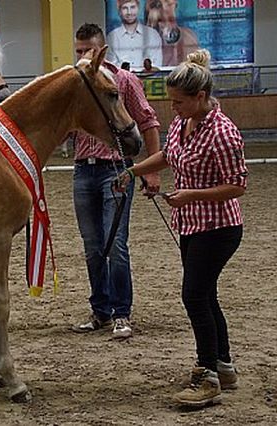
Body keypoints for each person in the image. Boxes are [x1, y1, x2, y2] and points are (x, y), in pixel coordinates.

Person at [115, 49, 247, 407]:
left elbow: (237, 185)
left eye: (178, 102)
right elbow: (169, 156)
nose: (173, 108)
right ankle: (223, 366)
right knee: (205, 295)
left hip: (218, 228)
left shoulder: (223, 133)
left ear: (201, 97)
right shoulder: (183, 123)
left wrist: (193, 196)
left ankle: (207, 376)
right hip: (190, 225)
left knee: (194, 295)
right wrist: (132, 171)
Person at [70, 23, 161, 339]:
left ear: (101, 50)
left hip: (117, 170)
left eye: (87, 51)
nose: (82, 56)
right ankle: (101, 311)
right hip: (83, 170)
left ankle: (122, 313)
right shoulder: (75, 85)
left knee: (115, 244)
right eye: (78, 51)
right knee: (92, 246)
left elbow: (148, 123)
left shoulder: (124, 81)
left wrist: (151, 169)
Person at [106, 0, 163, 69]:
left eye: (132, 7)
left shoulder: (153, 35)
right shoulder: (111, 37)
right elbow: (112, 69)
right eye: (125, 8)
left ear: (138, 8)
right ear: (119, 10)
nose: (129, 12)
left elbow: (156, 67)